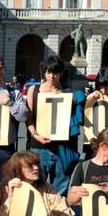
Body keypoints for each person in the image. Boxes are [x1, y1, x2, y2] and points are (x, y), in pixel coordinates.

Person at [26, 55, 85, 196]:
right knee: (36, 188)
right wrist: (35, 135)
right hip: (39, 146)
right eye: (48, 72)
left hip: (62, 148)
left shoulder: (69, 93)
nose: (52, 76)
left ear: (61, 73)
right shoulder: (34, 91)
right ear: (44, 73)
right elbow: (29, 119)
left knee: (60, 190)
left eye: (55, 72)